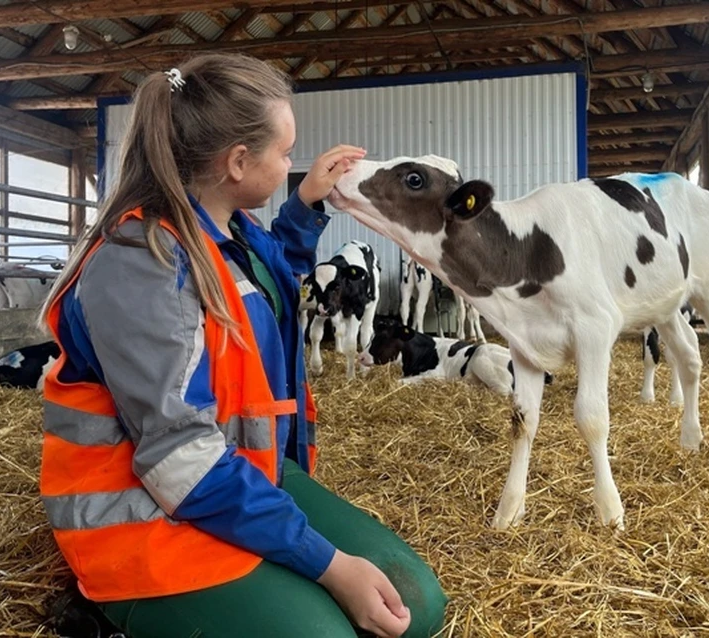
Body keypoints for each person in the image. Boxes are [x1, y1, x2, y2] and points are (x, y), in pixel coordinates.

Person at [38, 53, 447, 638]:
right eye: (284, 154)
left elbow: (273, 280)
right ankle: (103, 612)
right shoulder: (140, 265)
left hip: (240, 479)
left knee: (417, 606)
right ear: (236, 162)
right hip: (143, 519)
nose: (289, 165)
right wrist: (330, 567)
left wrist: (304, 206)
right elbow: (179, 457)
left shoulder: (230, 231)